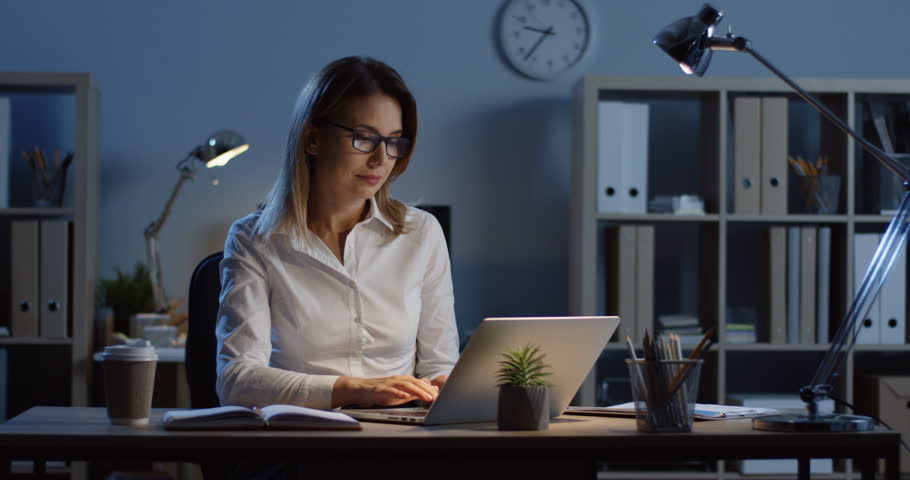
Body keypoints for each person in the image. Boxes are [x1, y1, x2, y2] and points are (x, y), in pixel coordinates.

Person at [215, 56, 459, 413]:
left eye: (394, 142)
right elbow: (237, 380)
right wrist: (353, 390)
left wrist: (454, 386)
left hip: (399, 441)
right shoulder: (254, 238)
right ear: (313, 139)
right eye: (364, 138)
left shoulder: (421, 233)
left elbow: (440, 366)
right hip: (302, 442)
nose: (381, 159)